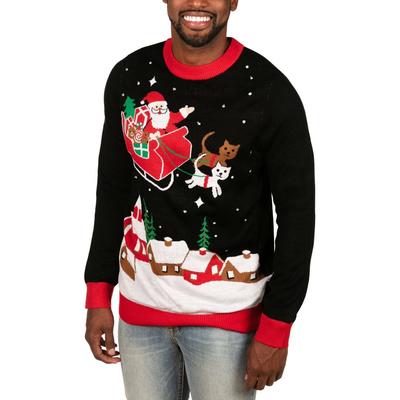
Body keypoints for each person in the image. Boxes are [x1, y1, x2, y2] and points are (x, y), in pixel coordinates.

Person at [84, 0, 315, 399]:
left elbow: (298, 217)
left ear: (233, 1)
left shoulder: (269, 91)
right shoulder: (129, 76)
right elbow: (112, 189)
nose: (197, 2)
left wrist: (277, 326)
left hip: (229, 322)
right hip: (140, 315)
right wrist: (98, 290)